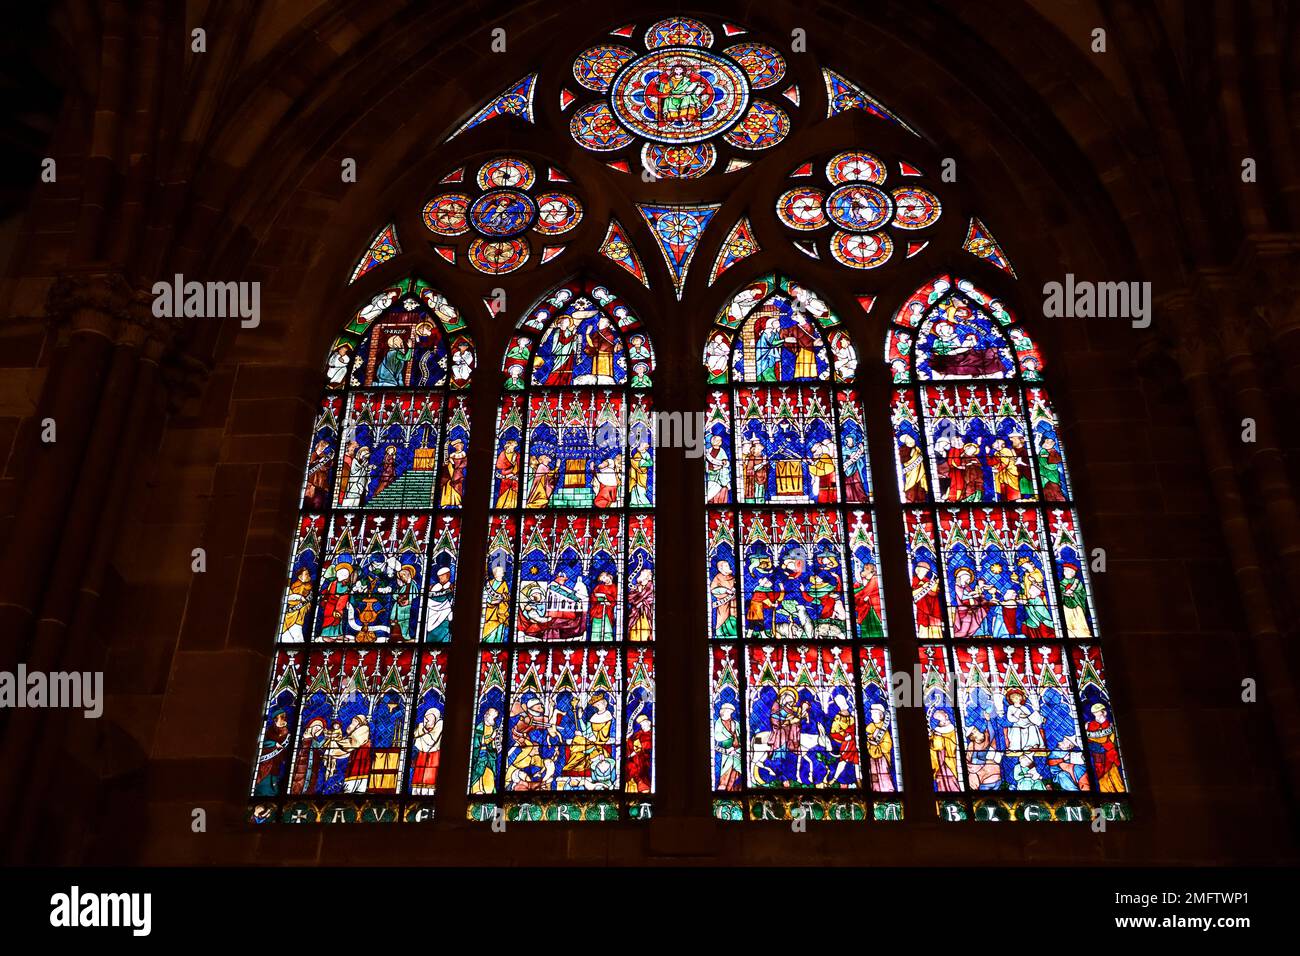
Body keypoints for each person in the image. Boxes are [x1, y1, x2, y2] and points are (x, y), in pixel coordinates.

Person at [1087, 702, 1125, 791]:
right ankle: (1106, 794)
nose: (1096, 714)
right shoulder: (1089, 725)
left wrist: (1103, 746)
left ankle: (1119, 792)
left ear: (1103, 712)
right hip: (1098, 757)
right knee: (1102, 778)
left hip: (1110, 755)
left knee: (1115, 776)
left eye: (1098, 712)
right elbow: (1089, 741)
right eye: (1094, 713)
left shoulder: (1111, 725)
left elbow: (1112, 740)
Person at [253, 707, 291, 796]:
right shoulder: (269, 731)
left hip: (277, 762)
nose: (283, 720)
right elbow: (263, 742)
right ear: (275, 720)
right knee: (264, 780)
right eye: (281, 718)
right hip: (266, 762)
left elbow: (286, 748)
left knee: (274, 781)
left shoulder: (287, 732)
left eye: (284, 718)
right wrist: (274, 744)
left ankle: (271, 795)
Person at [409, 706, 443, 795]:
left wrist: (421, 736)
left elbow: (431, 740)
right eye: (426, 718)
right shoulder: (422, 726)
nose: (426, 721)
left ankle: (428, 794)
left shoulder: (440, 725)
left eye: (429, 719)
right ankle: (416, 793)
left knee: (430, 775)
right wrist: (423, 729)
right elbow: (414, 734)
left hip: (434, 755)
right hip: (422, 755)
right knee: (419, 774)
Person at [863, 703, 895, 791]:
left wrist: (878, 746)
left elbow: (887, 744)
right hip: (871, 757)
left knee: (883, 774)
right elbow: (866, 739)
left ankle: (887, 790)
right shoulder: (869, 727)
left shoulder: (883, 728)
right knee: (873, 776)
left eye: (874, 713)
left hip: (882, 758)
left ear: (880, 715)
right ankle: (875, 789)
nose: (872, 716)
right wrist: (870, 743)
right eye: (872, 713)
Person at [713, 703, 741, 790]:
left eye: (731, 712)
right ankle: (723, 792)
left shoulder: (735, 723)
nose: (730, 713)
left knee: (736, 775)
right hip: (726, 754)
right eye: (728, 711)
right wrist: (730, 738)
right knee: (725, 776)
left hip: (737, 753)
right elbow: (717, 737)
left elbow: (740, 737)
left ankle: (733, 791)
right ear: (723, 711)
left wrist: (736, 746)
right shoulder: (718, 723)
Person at [710, 559, 738, 637]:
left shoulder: (733, 577)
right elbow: (713, 590)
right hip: (723, 603)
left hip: (733, 602)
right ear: (720, 568)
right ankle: (721, 632)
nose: (728, 566)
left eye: (728, 565)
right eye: (726, 566)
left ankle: (733, 632)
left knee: (733, 616)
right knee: (722, 616)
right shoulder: (718, 577)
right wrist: (725, 591)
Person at [494, 439, 520, 509]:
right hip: (505, 478)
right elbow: (499, 466)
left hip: (514, 478)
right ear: (508, 445)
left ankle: (512, 507)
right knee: (504, 494)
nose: (513, 448)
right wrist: (507, 473)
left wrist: (514, 473)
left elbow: (519, 466)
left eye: (514, 447)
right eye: (512, 446)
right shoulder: (502, 454)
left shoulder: (517, 455)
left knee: (513, 494)